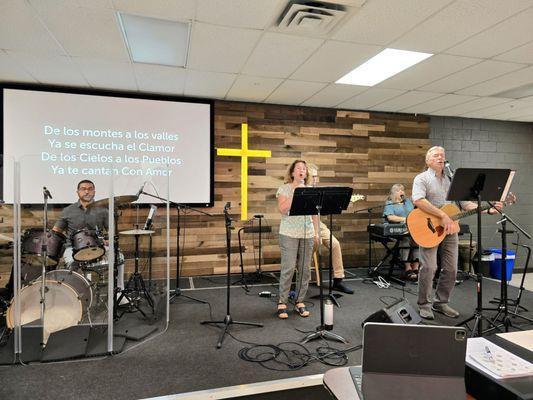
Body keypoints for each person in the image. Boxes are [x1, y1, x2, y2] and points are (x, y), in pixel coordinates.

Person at [412, 146, 502, 320]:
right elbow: (418, 200)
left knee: (452, 269)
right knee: (430, 267)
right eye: (436, 155)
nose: (440, 157)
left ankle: (441, 302)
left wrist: (488, 209)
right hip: (429, 228)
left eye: (443, 155)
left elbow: (466, 205)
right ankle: (424, 304)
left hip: (450, 230)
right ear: (428, 160)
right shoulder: (422, 178)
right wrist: (443, 215)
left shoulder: (452, 180)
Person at [276, 160, 319, 319]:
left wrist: (316, 232)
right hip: (288, 233)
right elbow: (282, 209)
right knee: (288, 268)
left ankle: (300, 301)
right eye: (299, 168)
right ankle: (282, 301)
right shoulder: (284, 189)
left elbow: (314, 213)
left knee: (304, 269)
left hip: (307, 233)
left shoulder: (310, 190)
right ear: (293, 172)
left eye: (304, 169)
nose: (302, 170)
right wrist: (295, 191)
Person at [306, 164, 353, 294]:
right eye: (313, 176)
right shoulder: (302, 189)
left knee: (335, 244)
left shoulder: (319, 192)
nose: (316, 179)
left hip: (318, 224)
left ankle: (338, 280)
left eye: (317, 176)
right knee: (315, 243)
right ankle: (303, 278)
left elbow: (322, 211)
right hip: (305, 225)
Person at [383, 184, 419, 281]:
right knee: (405, 240)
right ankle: (407, 268)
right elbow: (390, 217)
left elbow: (415, 213)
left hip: (411, 228)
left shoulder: (408, 202)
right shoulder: (390, 203)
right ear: (394, 193)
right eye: (399, 190)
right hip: (397, 230)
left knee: (418, 240)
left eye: (402, 190)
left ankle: (416, 268)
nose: (401, 192)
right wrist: (405, 219)